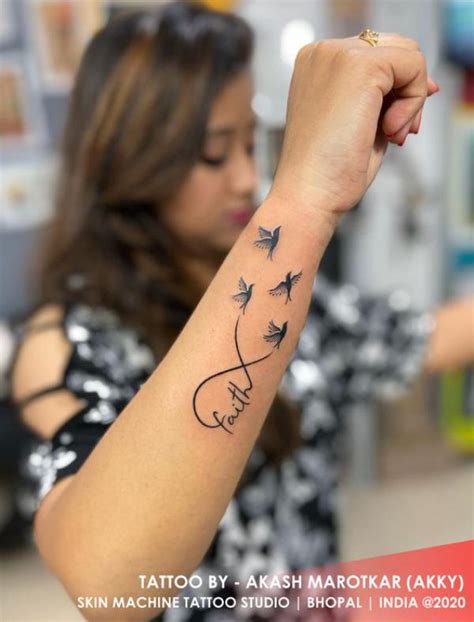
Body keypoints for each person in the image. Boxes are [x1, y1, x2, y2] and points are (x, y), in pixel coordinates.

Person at [7, 3, 473, 621]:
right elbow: (109, 579)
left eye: (251, 145)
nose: (246, 178)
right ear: (132, 155)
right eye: (213, 153)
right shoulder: (68, 344)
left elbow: (422, 337)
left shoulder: (288, 295)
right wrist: (301, 199)